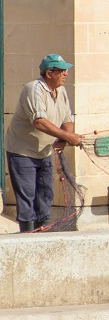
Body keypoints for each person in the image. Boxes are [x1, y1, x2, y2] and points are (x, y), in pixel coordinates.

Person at [6, 54, 83, 232]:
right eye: (62, 71)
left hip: (45, 151)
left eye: (66, 70)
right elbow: (39, 121)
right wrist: (68, 136)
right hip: (22, 152)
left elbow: (67, 119)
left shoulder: (61, 91)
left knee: (46, 193)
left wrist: (65, 137)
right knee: (27, 196)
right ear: (49, 73)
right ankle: (28, 233)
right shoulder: (33, 89)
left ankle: (43, 231)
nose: (66, 74)